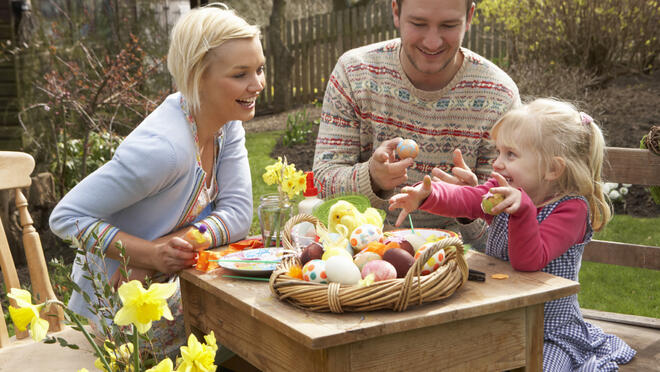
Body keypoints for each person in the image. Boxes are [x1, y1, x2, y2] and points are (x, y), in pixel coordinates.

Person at [49, 3, 264, 357]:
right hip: (123, 318)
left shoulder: (228, 123)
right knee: (255, 346)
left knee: (256, 339)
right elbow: (66, 217)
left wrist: (170, 247)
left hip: (176, 290)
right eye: (241, 74)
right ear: (198, 77)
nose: (257, 84)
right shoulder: (163, 150)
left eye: (259, 69)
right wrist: (148, 253)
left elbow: (240, 214)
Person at [389, 98, 636, 371]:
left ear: (553, 169)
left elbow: (529, 261)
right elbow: (468, 199)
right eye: (498, 152)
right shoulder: (503, 190)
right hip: (499, 320)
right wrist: (428, 194)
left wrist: (523, 211)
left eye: (511, 155)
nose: (497, 164)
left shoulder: (572, 210)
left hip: (548, 332)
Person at [312, 0, 520, 246]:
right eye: (419, 24)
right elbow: (324, 181)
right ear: (396, 12)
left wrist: (468, 206)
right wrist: (372, 178)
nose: (432, 42)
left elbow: (507, 235)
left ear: (470, 17)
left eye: (449, 25)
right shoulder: (355, 73)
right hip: (363, 253)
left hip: (458, 263)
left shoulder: (498, 96)